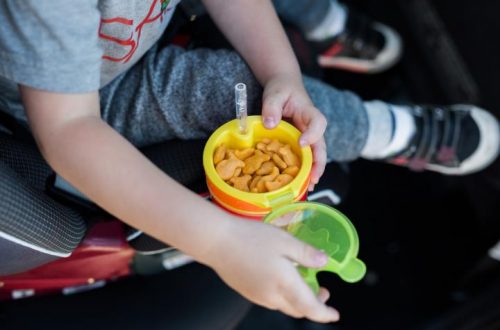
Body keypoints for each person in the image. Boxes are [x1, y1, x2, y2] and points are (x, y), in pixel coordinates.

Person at [0, 0, 498, 324]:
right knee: (238, 86)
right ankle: (389, 131)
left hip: (138, 37)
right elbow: (67, 131)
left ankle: (328, 33)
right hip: (78, 99)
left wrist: (285, 73)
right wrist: (222, 240)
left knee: (270, 87)